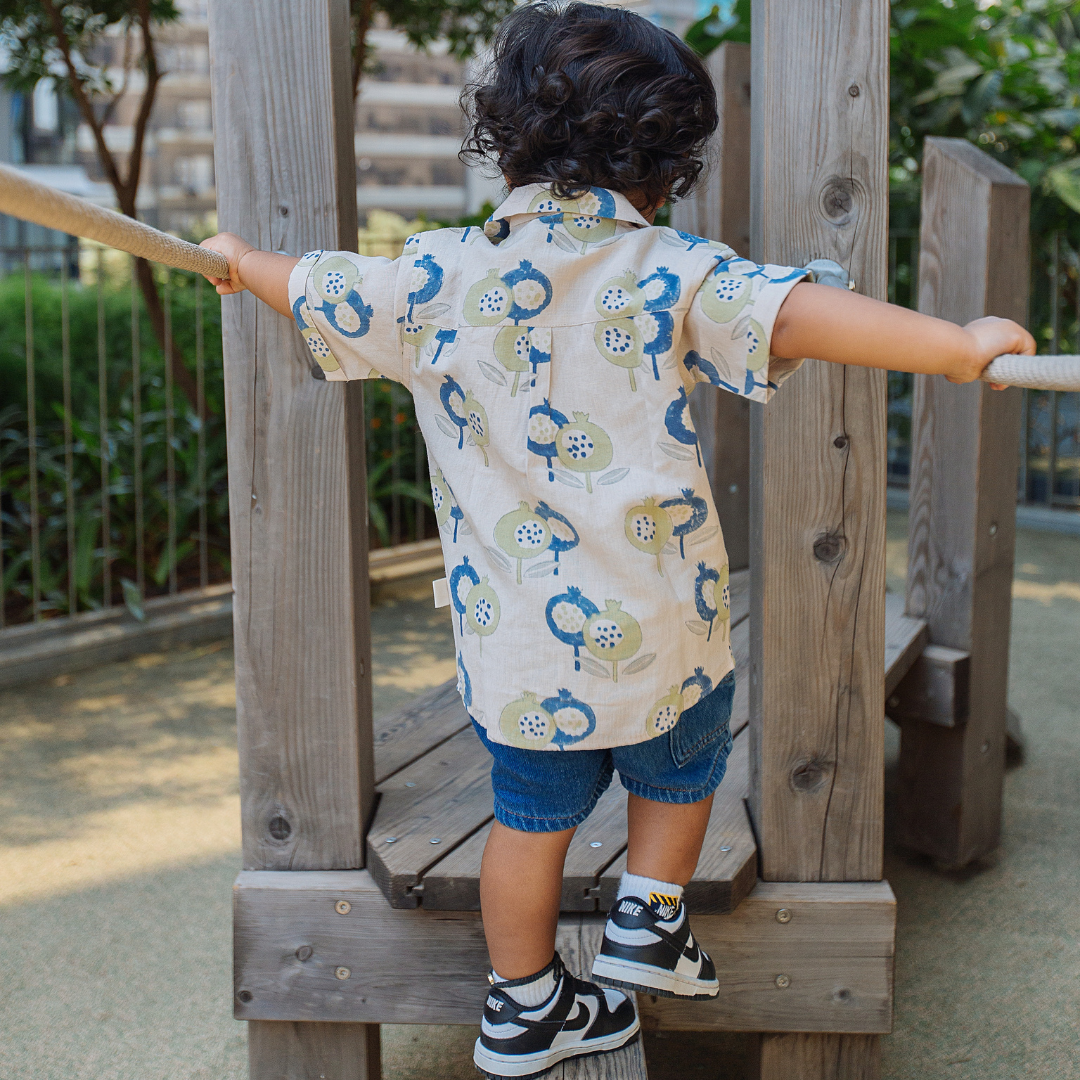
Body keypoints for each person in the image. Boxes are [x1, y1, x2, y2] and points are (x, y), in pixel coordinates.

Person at [200, 3, 1034, 1075]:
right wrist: (958, 345)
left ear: (508, 136)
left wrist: (235, 259)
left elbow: (310, 282)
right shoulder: (669, 269)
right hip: (662, 634)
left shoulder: (431, 278)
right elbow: (804, 318)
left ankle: (522, 1005)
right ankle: (650, 920)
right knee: (682, 768)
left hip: (522, 656)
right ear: (662, 166)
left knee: (528, 819)